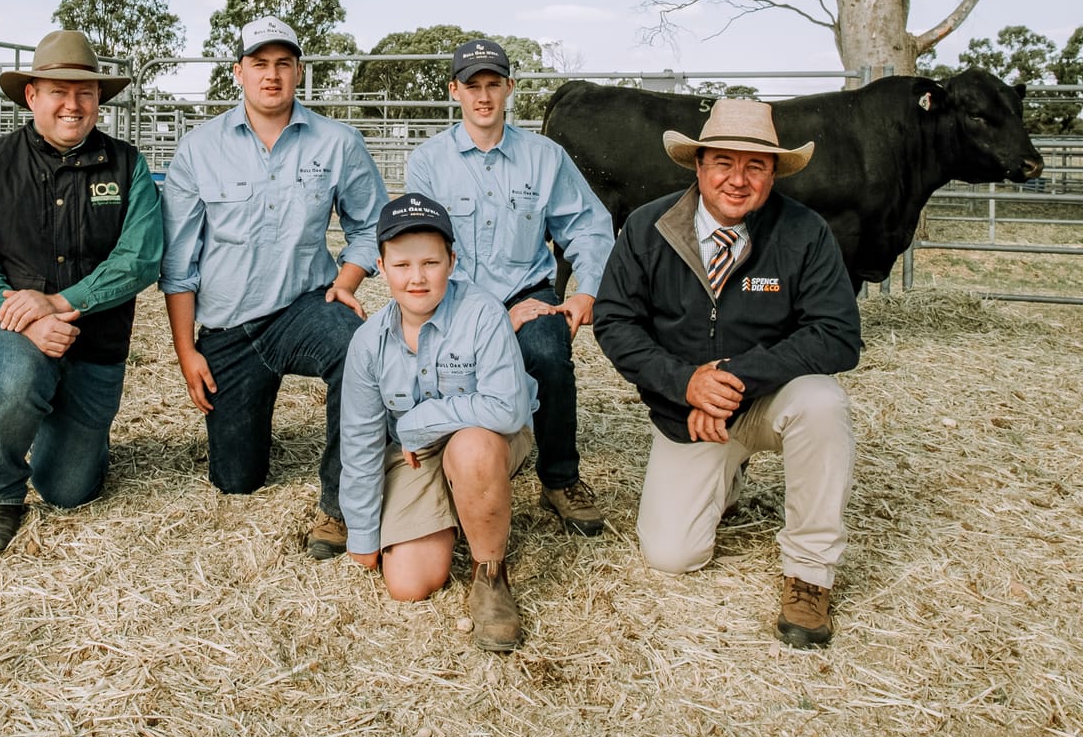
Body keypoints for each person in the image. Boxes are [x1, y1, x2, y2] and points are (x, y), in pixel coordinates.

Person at [593, 98, 862, 647]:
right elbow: (614, 322)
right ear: (698, 165)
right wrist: (684, 386)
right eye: (723, 162)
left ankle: (810, 574)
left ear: (773, 172)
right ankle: (727, 476)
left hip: (768, 401)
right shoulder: (648, 228)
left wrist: (733, 378)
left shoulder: (804, 232)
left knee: (822, 402)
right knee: (672, 555)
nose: (737, 180)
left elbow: (838, 334)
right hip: (690, 413)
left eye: (755, 166)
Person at [160, 16, 390, 558]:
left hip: (303, 307)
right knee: (237, 480)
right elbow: (179, 261)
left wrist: (347, 281)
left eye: (283, 64)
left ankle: (341, 507)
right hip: (226, 328)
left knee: (360, 346)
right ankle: (248, 425)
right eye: (259, 64)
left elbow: (371, 227)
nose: (271, 75)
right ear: (237, 72)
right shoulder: (199, 149)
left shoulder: (337, 142)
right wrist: (185, 349)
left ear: (299, 72)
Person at [0, 29, 164, 555]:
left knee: (69, 491)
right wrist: (27, 318)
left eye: (85, 93)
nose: (73, 104)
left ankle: (70, 434)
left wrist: (59, 304)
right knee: (18, 377)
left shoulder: (128, 166)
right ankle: (0, 496)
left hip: (96, 345)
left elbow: (141, 258)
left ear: (99, 102)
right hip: (12, 331)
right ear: (31, 95)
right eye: (58, 91)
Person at [402, 38, 615, 535]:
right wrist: (491, 317)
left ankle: (560, 478)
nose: (483, 96)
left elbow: (587, 225)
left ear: (509, 89)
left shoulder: (544, 157)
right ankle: (442, 464)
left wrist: (586, 291)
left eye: (492, 84)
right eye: (472, 85)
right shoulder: (429, 162)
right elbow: (424, 252)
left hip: (526, 290)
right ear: (454, 90)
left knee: (547, 347)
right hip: (451, 298)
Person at [339, 193, 538, 651]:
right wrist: (364, 532)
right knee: (407, 584)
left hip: (489, 439)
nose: (417, 278)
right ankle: (458, 503)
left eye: (430, 262)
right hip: (420, 456)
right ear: (381, 266)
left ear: (452, 260)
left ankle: (490, 576)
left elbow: (508, 409)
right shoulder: (369, 342)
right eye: (402, 265)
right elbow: (361, 440)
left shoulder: (483, 313)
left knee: (471, 449)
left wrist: (419, 420)